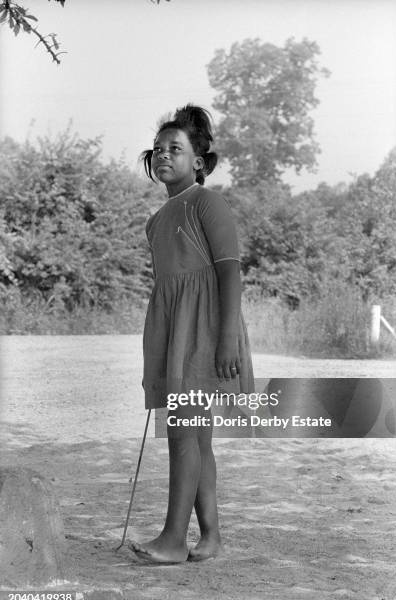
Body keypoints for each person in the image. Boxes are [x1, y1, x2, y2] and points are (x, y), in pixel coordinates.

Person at [130, 104, 254, 564]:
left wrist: (226, 340)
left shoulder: (207, 202)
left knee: (184, 433)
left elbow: (229, 273)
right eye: (158, 149)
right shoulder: (157, 218)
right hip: (175, 332)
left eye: (175, 149)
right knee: (195, 437)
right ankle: (212, 537)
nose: (164, 155)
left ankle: (172, 539)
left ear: (198, 162)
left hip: (206, 332)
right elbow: (170, 288)